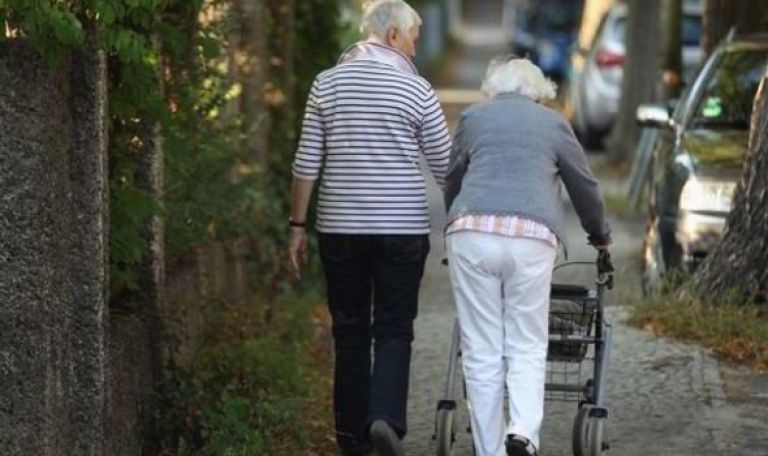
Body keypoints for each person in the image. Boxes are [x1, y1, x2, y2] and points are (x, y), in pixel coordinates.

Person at [287, 1, 451, 454]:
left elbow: (306, 163)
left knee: (350, 331)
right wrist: (464, 219)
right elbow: (446, 166)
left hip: (340, 228)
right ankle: (385, 419)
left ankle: (351, 441)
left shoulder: (326, 83)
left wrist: (297, 226)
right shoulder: (416, 89)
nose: (414, 48)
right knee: (395, 328)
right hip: (402, 228)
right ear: (394, 34)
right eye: (413, 38)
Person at [443, 56, 611, 456]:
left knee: (481, 348)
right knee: (526, 340)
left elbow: (453, 179)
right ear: (538, 95)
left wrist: (456, 223)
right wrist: (600, 235)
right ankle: (522, 433)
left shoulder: (473, 119)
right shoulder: (554, 124)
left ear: (494, 90)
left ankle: (490, 450)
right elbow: (584, 186)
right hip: (531, 238)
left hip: (471, 233)